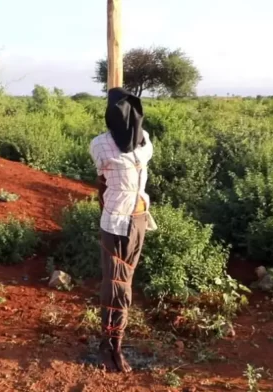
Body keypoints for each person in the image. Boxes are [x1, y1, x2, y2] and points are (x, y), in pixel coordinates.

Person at [89, 87, 157, 373]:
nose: (127, 118)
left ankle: (114, 340)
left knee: (125, 283)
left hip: (139, 220)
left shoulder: (146, 142)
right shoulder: (101, 144)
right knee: (116, 286)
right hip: (116, 224)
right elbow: (101, 182)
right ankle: (112, 346)